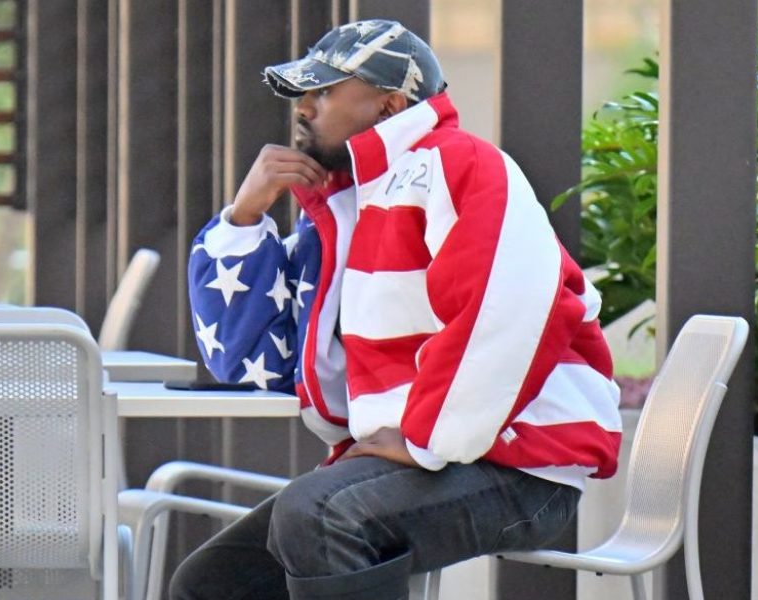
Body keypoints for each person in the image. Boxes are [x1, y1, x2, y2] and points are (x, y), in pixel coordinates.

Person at [176, 19, 621, 600]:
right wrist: (244, 217)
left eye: (324, 91)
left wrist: (425, 438)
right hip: (436, 455)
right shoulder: (345, 208)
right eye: (304, 93)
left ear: (389, 105)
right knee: (212, 583)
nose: (303, 108)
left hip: (523, 462)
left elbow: (506, 310)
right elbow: (250, 357)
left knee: (319, 516)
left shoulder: (461, 164)